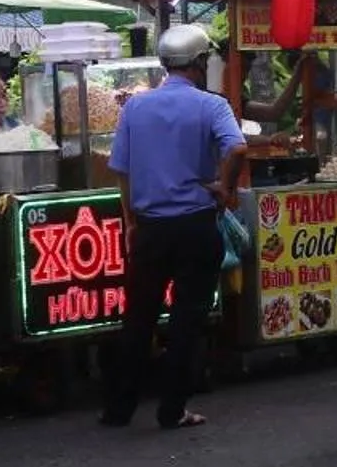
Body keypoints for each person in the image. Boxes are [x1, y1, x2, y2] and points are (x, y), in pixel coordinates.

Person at [102, 24, 247, 431]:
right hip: (195, 226)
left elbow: (122, 171)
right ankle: (172, 410)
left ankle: (118, 409)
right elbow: (237, 146)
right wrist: (225, 186)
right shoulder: (211, 105)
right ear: (200, 62)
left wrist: (130, 220)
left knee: (139, 317)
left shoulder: (135, 107)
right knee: (188, 319)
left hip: (150, 228)